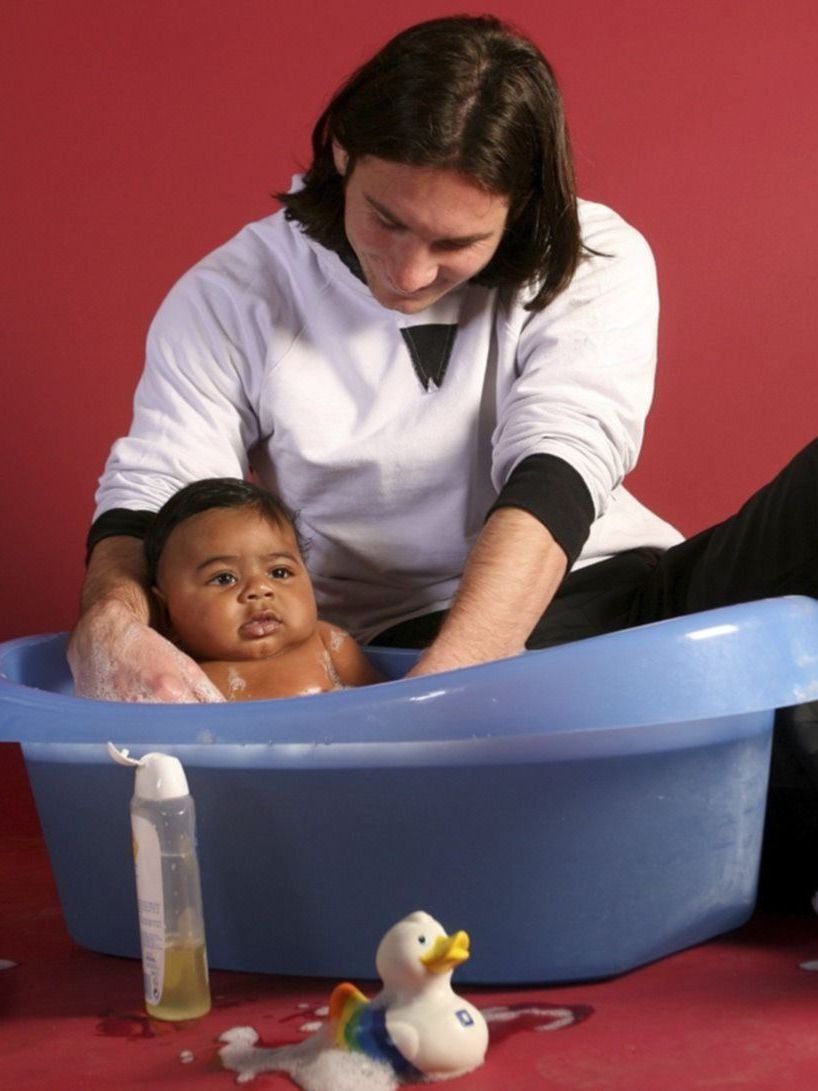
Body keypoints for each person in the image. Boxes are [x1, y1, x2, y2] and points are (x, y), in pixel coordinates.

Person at [69, 13, 818, 712]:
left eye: (454, 244)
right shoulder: (233, 293)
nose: (410, 272)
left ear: (519, 210)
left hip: (639, 596)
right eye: (386, 219)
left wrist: (454, 691)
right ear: (342, 153)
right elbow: (160, 493)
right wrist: (109, 625)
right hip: (410, 642)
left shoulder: (597, 252)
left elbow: (560, 465)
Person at [144, 478, 383, 700]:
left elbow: (382, 709)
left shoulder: (330, 645)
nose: (259, 589)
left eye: (279, 572)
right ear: (165, 612)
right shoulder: (172, 674)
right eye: (224, 578)